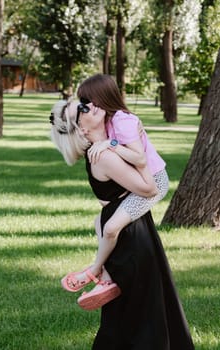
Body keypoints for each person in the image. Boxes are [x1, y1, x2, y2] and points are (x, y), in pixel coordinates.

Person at [50, 98, 195, 349]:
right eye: (82, 109)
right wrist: (139, 153)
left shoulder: (102, 148)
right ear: (81, 128)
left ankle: (101, 273)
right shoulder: (104, 156)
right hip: (130, 238)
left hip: (128, 230)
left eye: (84, 102)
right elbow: (149, 188)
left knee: (134, 313)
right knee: (144, 315)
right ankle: (97, 270)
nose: (89, 105)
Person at [61, 73, 169, 299]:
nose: (88, 107)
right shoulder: (109, 121)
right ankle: (107, 280)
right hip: (138, 181)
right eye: (84, 104)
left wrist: (108, 144)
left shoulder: (121, 120)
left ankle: (94, 270)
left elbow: (139, 159)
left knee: (110, 228)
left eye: (90, 101)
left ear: (103, 98)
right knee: (99, 222)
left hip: (155, 181)